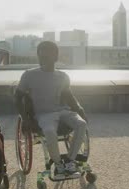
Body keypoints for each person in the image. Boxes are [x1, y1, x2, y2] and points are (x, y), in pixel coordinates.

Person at [14, 41, 87, 180]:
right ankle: (58, 165)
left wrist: (79, 108)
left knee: (82, 124)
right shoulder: (29, 75)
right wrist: (24, 118)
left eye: (47, 56)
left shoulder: (63, 76)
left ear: (56, 57)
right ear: (38, 56)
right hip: (43, 114)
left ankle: (70, 161)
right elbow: (17, 97)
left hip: (63, 111)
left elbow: (68, 95)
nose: (44, 59)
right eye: (41, 56)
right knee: (49, 132)